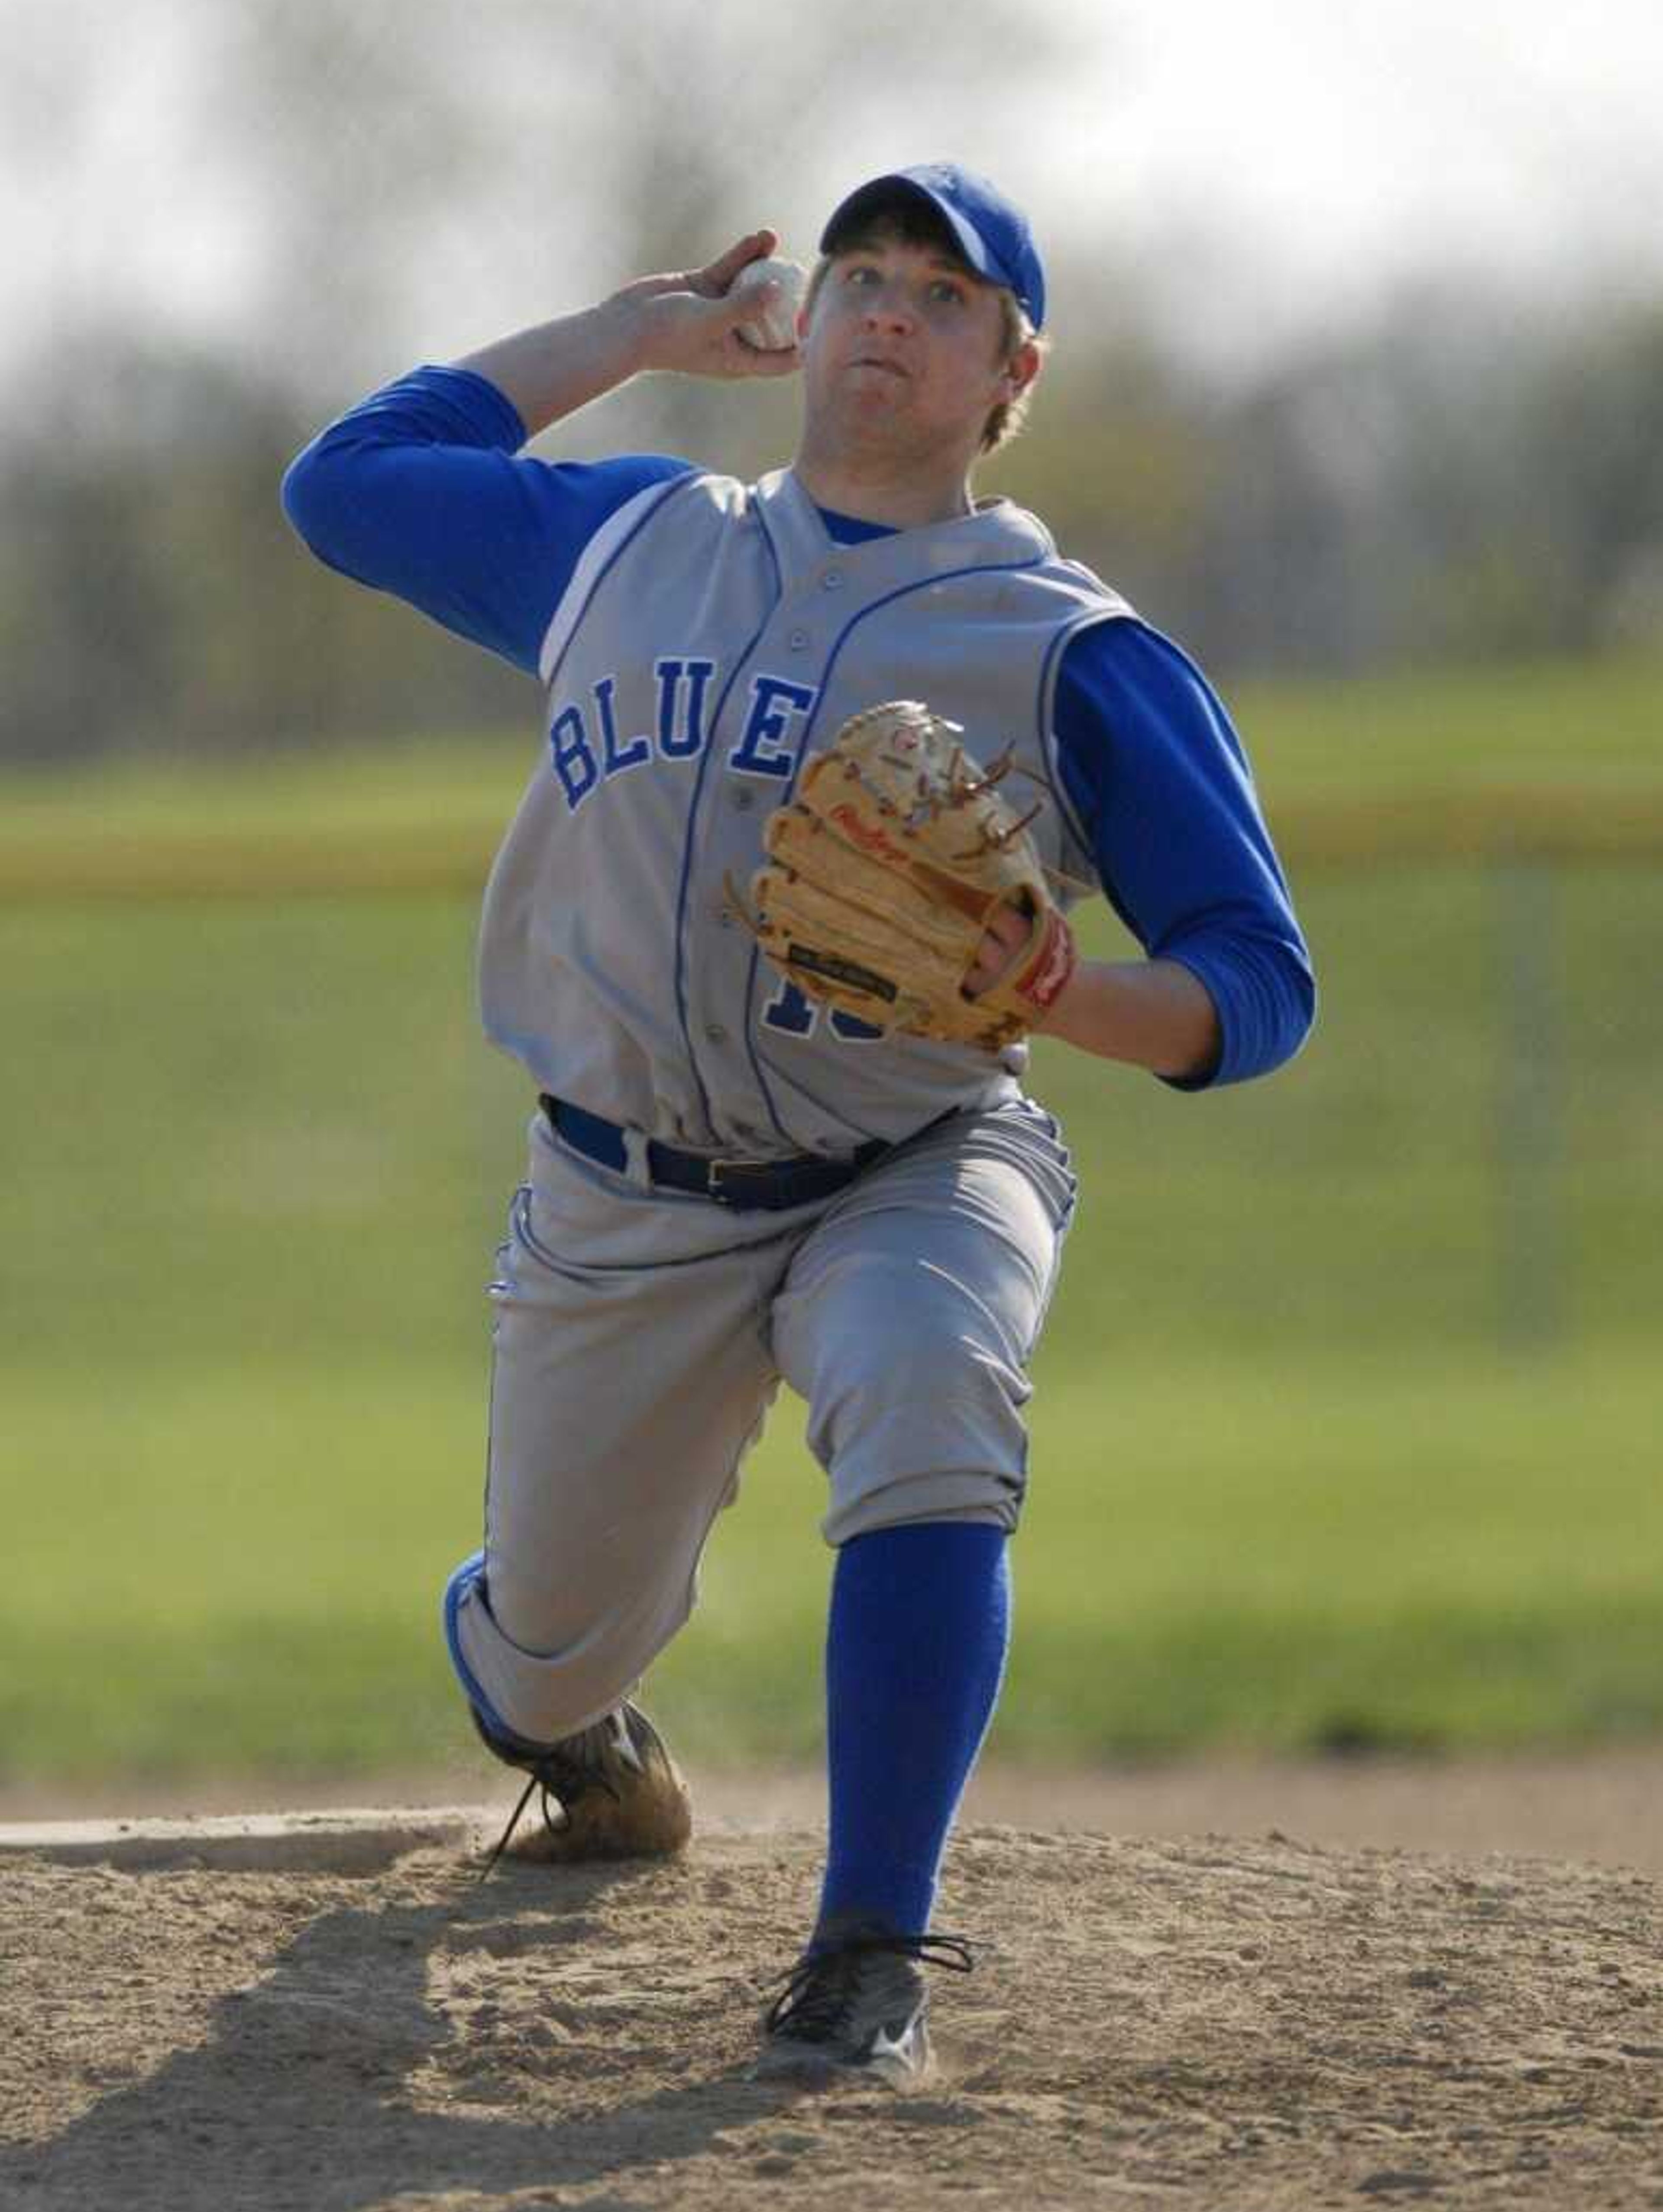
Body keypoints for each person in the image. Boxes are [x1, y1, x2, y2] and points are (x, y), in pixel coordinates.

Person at [281, 162, 1315, 2088]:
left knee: (931, 1384)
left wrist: (1069, 999)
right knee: (547, 1651)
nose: (888, 311)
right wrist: (641, 335)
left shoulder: (1068, 646)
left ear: (1013, 373)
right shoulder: (630, 540)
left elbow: (1258, 979)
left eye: (943, 292)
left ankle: (867, 1950)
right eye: (862, 274)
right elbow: (341, 488)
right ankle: (562, 1719)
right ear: (811, 323)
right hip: (621, 1199)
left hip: (914, 1165)